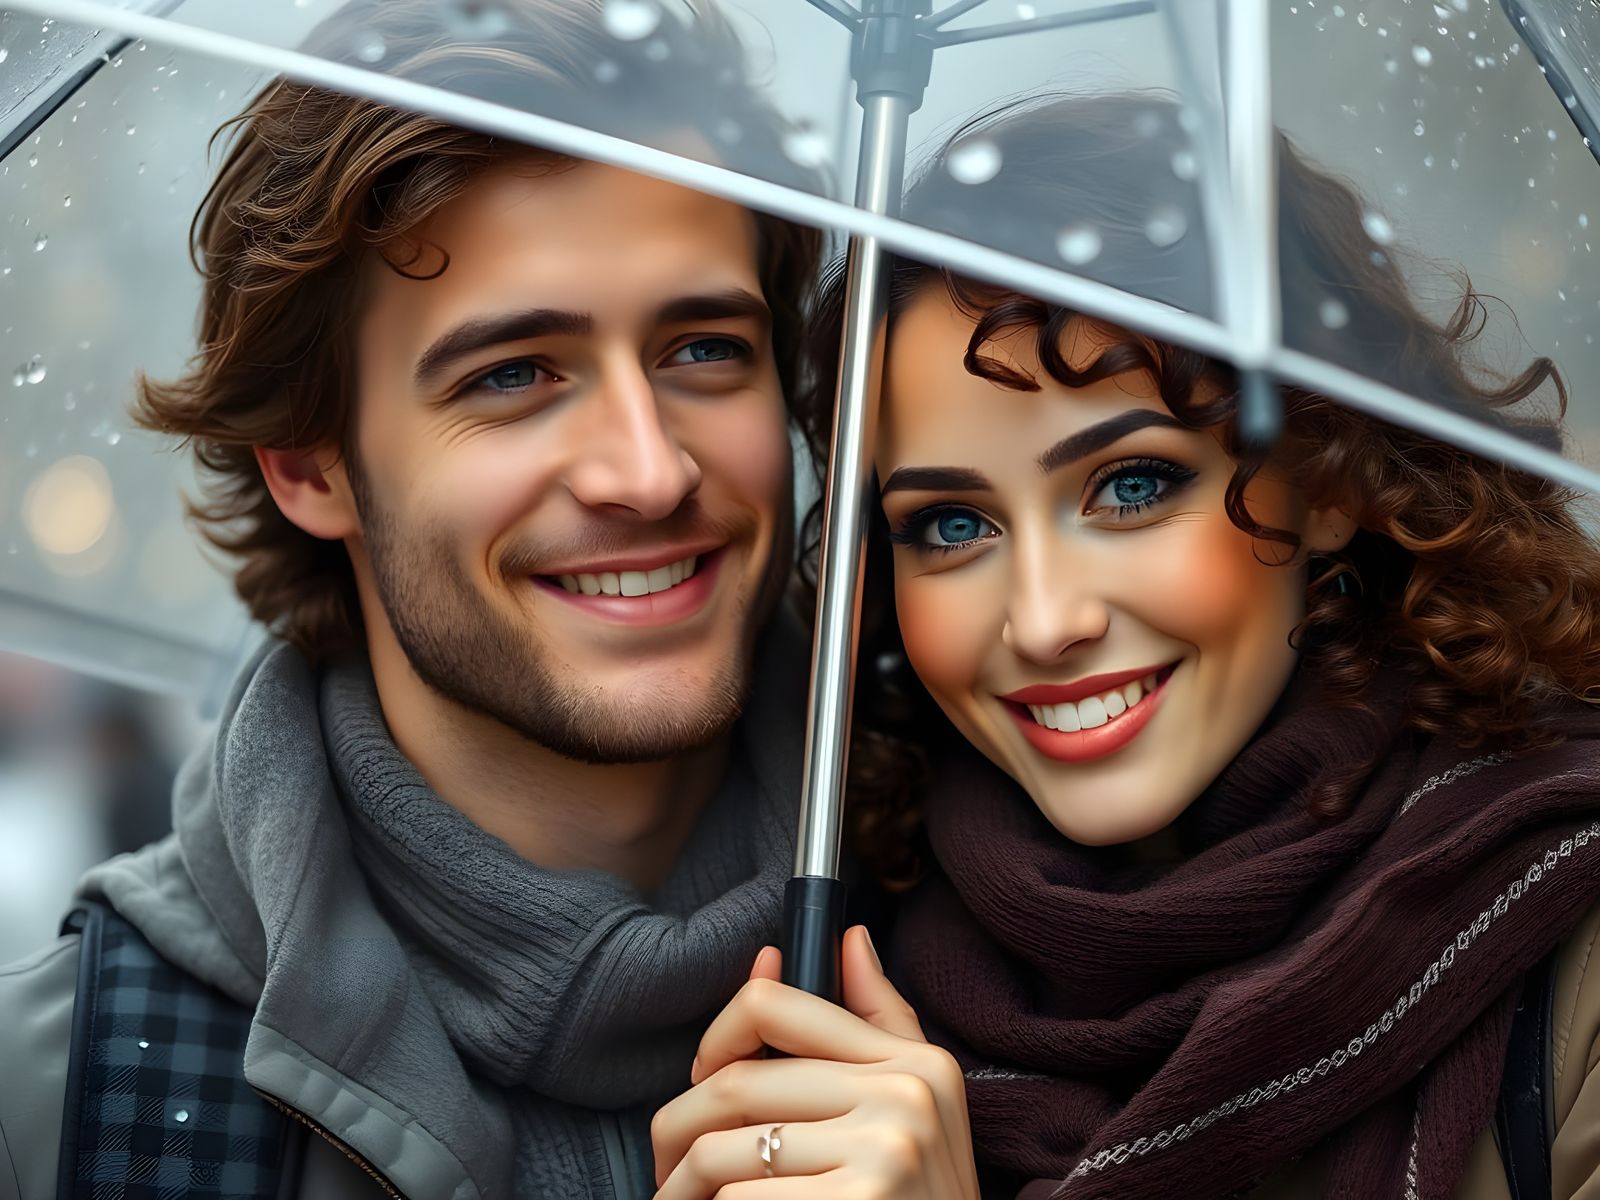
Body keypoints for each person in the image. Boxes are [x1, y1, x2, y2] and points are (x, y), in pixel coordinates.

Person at [650, 93, 1600, 1199]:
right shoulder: (841, 971)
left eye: (1133, 486)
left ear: (1329, 475)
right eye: (951, 527)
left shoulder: (1568, 955)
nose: (1045, 621)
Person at [0, 2, 825, 1197]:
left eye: (703, 348)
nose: (649, 473)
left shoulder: (1042, 991)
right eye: (515, 374)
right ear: (310, 464)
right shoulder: (60, 1101)